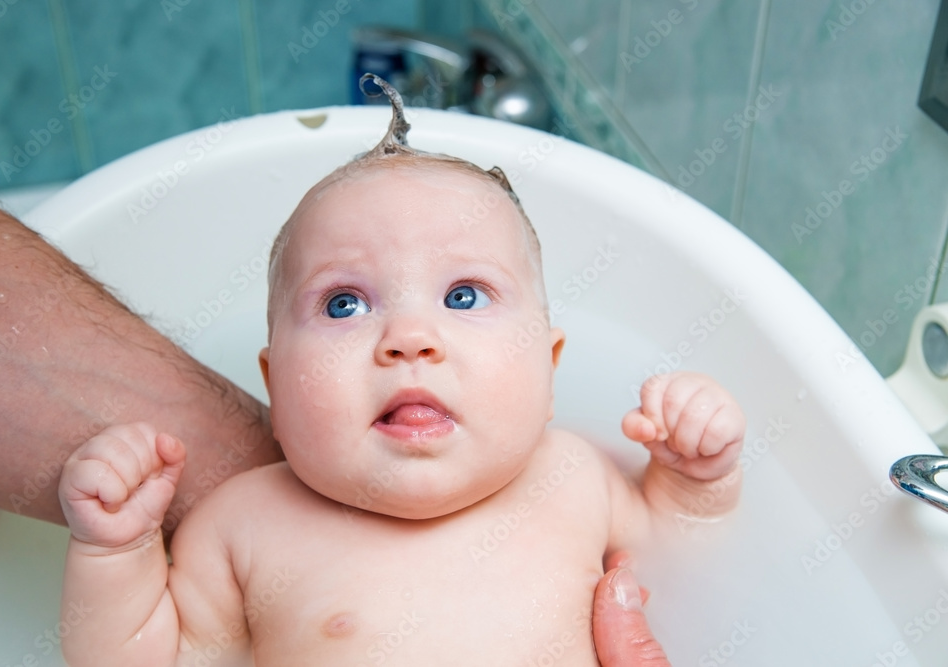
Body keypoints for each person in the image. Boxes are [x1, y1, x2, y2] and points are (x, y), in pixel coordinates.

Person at [57, 76, 742, 665]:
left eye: (463, 296)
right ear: (274, 379)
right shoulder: (242, 524)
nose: (409, 339)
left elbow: (687, 558)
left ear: (550, 365)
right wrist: (117, 552)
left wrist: (694, 472)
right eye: (345, 303)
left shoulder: (575, 479)